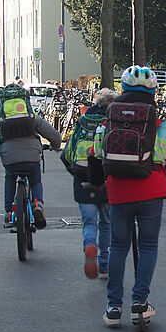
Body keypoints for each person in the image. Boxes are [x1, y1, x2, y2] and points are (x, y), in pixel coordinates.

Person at [88, 65, 166, 328]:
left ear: (123, 89)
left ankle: (113, 307)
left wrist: (98, 183)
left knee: (118, 247)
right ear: (153, 91)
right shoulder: (156, 123)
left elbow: (95, 156)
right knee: (148, 246)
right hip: (151, 190)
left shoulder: (110, 119)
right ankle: (139, 304)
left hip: (119, 190)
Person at [0, 84, 62, 228]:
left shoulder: (0, 119)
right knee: (35, 180)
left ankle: (8, 213)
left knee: (10, 177)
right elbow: (55, 136)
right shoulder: (32, 117)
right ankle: (37, 203)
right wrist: (54, 147)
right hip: (32, 156)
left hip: (10, 158)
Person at [61, 87, 118, 279]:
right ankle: (104, 265)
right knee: (107, 223)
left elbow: (67, 154)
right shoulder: (113, 124)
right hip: (107, 179)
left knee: (89, 222)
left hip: (83, 177)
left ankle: (89, 246)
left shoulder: (82, 122)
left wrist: (77, 174)